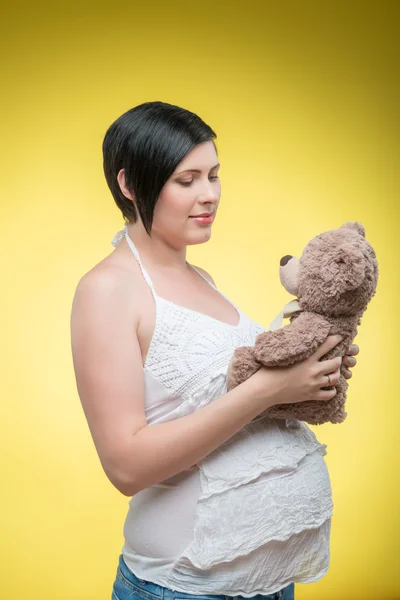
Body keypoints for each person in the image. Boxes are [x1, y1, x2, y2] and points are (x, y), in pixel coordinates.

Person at [70, 101, 359, 600]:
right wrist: (270, 390)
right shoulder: (108, 290)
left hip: (267, 585)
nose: (209, 195)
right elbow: (125, 466)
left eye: (214, 175)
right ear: (130, 184)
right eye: (187, 180)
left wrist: (309, 375)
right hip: (183, 589)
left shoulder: (201, 279)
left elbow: (230, 398)